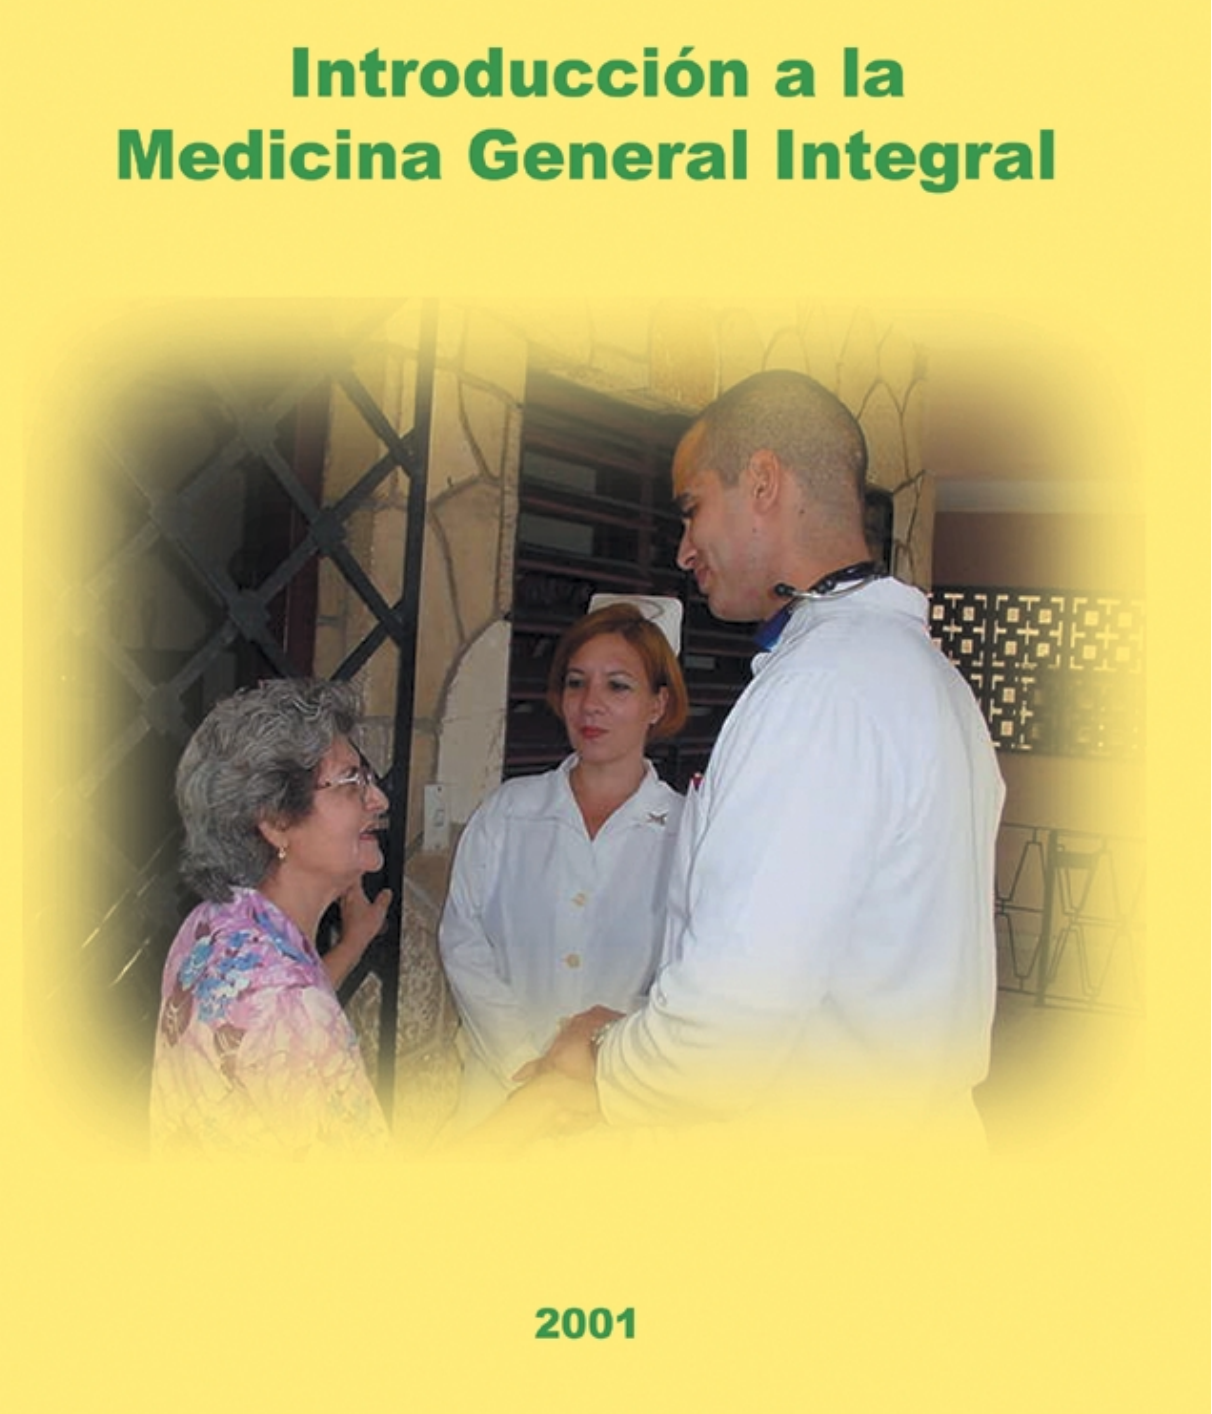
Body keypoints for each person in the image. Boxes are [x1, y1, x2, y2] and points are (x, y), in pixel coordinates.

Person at [528, 371, 1006, 1143]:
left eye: (692, 508)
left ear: (761, 482)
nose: (683, 549)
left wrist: (599, 1060)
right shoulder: (917, 673)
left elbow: (725, 1037)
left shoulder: (823, 689)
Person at [439, 600, 689, 1130]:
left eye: (617, 686)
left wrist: (597, 1066)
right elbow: (463, 940)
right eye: (577, 683)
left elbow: (688, 978)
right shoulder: (509, 811)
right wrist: (525, 1066)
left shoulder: (687, 832)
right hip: (500, 1098)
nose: (590, 704)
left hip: (617, 1107)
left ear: (658, 703)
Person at [150, 678, 392, 1158]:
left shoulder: (215, 924)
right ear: (277, 821)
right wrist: (539, 1097)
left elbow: (266, 1022)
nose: (379, 799)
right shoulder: (286, 1000)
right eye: (351, 781)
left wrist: (351, 944)